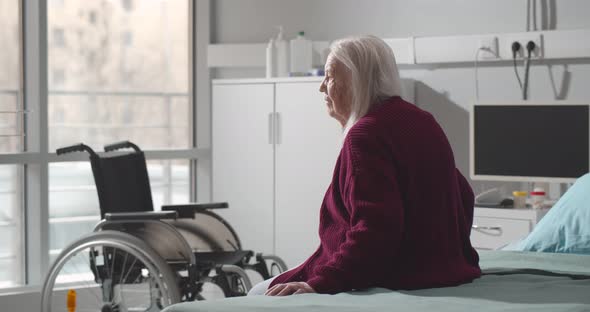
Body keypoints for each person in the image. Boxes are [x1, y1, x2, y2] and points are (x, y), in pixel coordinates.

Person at [249, 35, 481, 296]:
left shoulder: (366, 134)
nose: (322, 88)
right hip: (444, 273)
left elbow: (375, 231)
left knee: (256, 294)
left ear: (356, 80)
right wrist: (447, 258)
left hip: (390, 276)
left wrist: (319, 284)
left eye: (329, 76)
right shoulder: (423, 120)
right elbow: (462, 194)